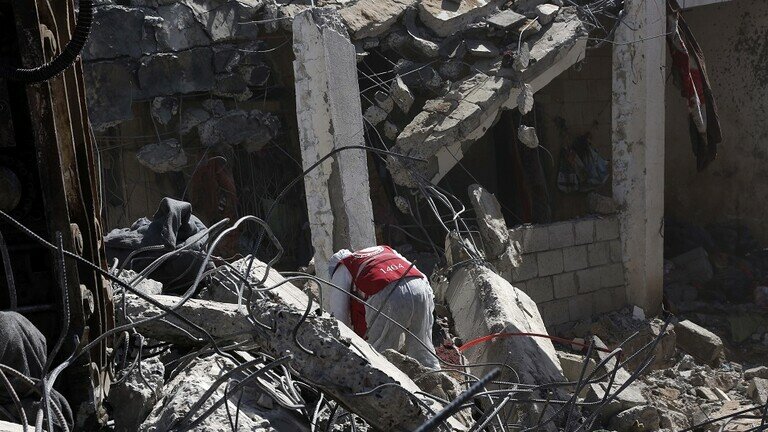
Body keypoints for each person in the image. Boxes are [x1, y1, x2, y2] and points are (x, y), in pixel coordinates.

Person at [327, 246, 440, 369]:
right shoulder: (384, 250)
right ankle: (433, 374)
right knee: (422, 345)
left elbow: (339, 315)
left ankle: (385, 379)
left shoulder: (343, 266)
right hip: (420, 287)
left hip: (388, 295)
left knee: (381, 354)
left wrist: (339, 348)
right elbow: (420, 275)